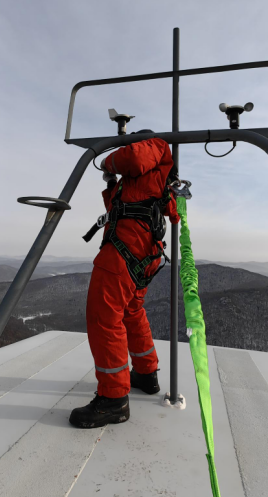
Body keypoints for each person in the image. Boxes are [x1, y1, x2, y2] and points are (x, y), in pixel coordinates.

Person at [70, 133, 180, 429]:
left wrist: (107, 160)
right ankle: (146, 373)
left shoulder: (157, 146)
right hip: (142, 252)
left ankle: (113, 400)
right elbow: (125, 206)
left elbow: (133, 157)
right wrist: (111, 184)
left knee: (104, 316)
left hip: (125, 251)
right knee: (131, 311)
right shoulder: (148, 181)